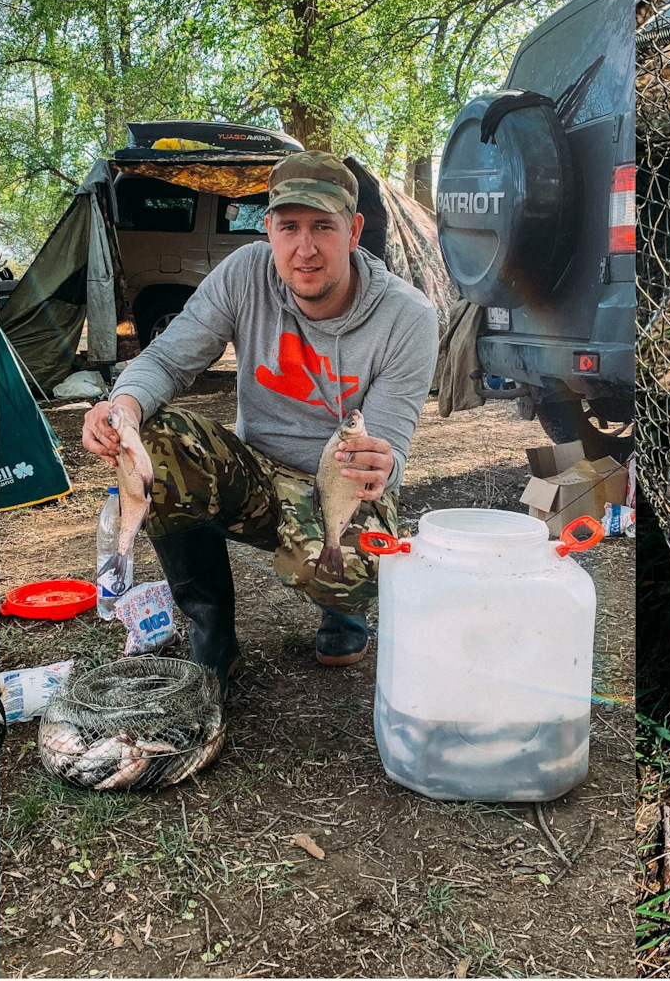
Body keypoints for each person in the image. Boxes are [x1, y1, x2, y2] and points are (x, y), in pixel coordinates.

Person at [83, 150, 438, 690]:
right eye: (289, 226)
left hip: (335, 490)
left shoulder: (407, 317)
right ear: (268, 228)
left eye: (324, 226)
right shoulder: (245, 273)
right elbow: (166, 358)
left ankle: (343, 611)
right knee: (152, 437)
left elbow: (389, 445)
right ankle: (214, 638)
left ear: (354, 230)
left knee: (354, 573)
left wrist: (380, 462)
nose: (306, 247)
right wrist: (122, 407)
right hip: (251, 477)